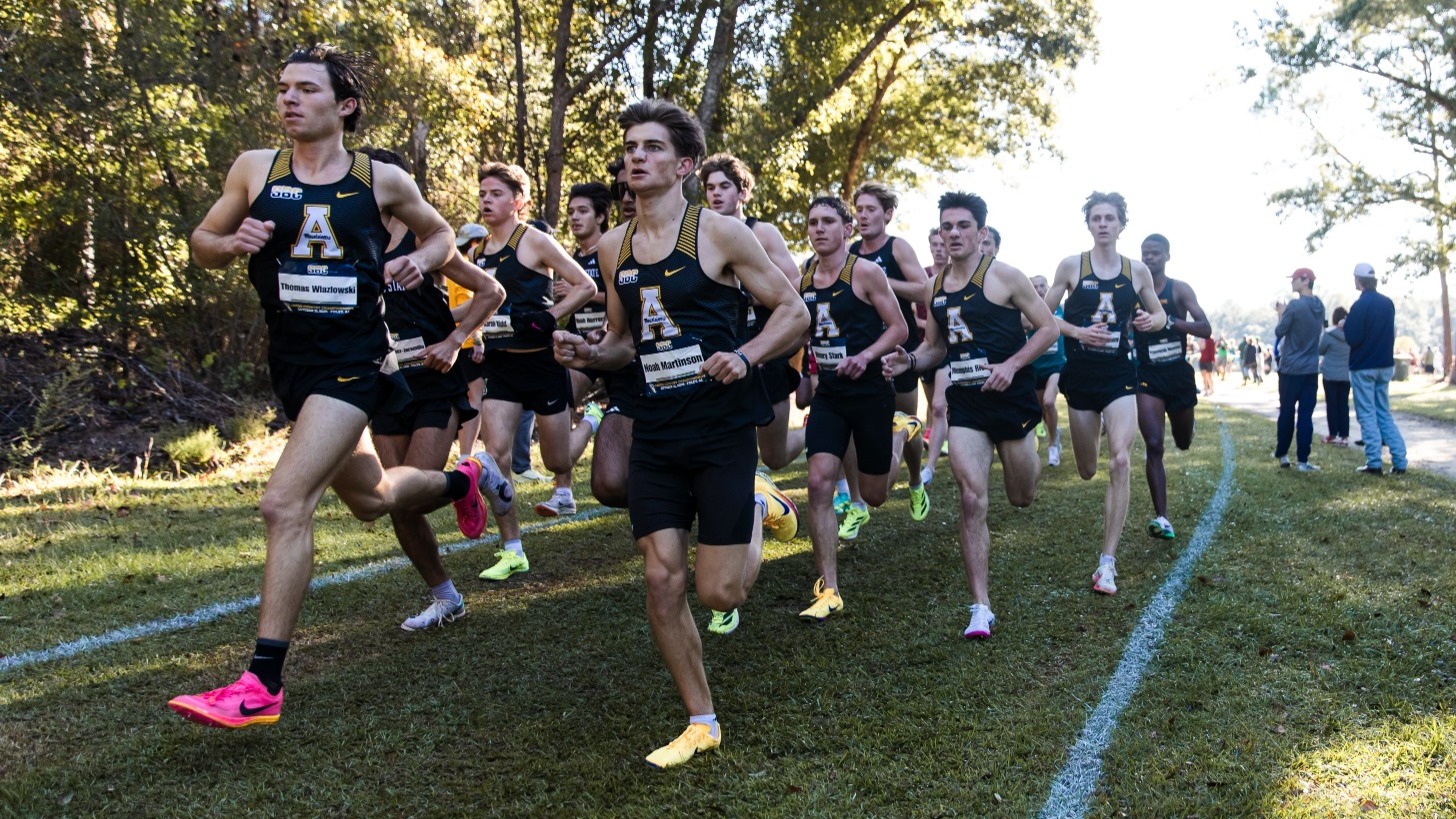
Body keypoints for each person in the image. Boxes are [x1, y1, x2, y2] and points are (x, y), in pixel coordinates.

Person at [168, 45, 510, 728]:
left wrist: (419, 257)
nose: (287, 99)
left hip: (355, 360)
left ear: (344, 105)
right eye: (282, 88)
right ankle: (462, 481)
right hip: (292, 363)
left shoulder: (378, 178)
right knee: (374, 497)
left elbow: (440, 233)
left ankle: (261, 683)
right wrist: (231, 243)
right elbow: (200, 243)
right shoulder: (254, 170)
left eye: (305, 89)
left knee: (282, 502)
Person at [553, 99, 808, 768]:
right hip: (656, 433)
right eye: (630, 147)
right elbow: (621, 344)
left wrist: (747, 355)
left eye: (653, 147)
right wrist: (587, 357)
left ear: (685, 164)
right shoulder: (612, 248)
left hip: (722, 427)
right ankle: (702, 718)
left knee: (719, 591)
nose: (636, 156)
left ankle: (760, 500)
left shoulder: (720, 234)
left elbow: (793, 311)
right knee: (661, 578)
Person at [883, 192, 1057, 638]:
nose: (953, 234)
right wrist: (911, 361)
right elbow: (936, 347)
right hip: (967, 404)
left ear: (981, 233)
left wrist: (1013, 365)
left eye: (963, 226)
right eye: (947, 227)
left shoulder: (1006, 277)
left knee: (1021, 496)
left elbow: (1048, 328)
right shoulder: (934, 286)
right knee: (971, 498)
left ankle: (1030, 453)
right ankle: (980, 605)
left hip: (1013, 400)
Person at [362, 147, 507, 631]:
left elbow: (491, 292)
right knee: (393, 499)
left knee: (416, 495)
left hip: (431, 381)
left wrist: (454, 340)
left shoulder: (427, 237)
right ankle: (446, 597)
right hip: (383, 384)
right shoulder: (350, 236)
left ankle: (473, 473)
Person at [469, 163, 596, 580]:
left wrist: (551, 317)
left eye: (495, 193)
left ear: (518, 202)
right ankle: (512, 549)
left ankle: (592, 419)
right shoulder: (478, 252)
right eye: (483, 193)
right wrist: (464, 335)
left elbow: (585, 286)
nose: (486, 200)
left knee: (556, 458)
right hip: (501, 365)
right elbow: (479, 306)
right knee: (496, 455)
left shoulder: (534, 241)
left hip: (541, 362)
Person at [1043, 191, 1165, 596]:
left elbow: (1160, 313)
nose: (1102, 224)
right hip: (1079, 376)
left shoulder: (1136, 271)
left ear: (1120, 224)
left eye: (1109, 218)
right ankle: (1087, 441)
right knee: (1087, 469)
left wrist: (1151, 319)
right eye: (1096, 217)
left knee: (1120, 460)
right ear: (1089, 224)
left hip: (1120, 375)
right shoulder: (1071, 266)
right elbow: (1043, 316)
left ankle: (1107, 562)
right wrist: (1078, 332)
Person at [795, 195, 909, 623]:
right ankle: (830, 589)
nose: (819, 228)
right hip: (830, 394)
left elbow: (900, 327)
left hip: (870, 392)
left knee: (875, 496)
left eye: (828, 221)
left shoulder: (864, 272)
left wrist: (866, 356)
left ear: (847, 229)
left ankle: (900, 433)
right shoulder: (802, 276)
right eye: (812, 222)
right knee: (819, 481)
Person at [699, 153, 806, 470]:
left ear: (742, 193)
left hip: (764, 352)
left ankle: (814, 431)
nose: (716, 193)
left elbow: (797, 285)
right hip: (722, 352)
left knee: (774, 457)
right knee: (725, 443)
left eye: (724, 186)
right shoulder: (703, 235)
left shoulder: (762, 232)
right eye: (710, 187)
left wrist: (757, 294)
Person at [848, 182, 929, 528]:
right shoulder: (849, 251)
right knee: (854, 430)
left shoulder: (897, 248)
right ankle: (855, 503)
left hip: (899, 352)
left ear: (887, 214)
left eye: (870, 209)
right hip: (865, 352)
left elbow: (923, 288)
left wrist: (879, 280)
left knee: (904, 424)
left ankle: (914, 481)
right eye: (859, 210)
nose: (863, 216)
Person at [1132, 234, 1212, 539]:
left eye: (1155, 253)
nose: (1149, 257)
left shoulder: (1179, 289)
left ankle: (1186, 429)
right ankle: (1162, 518)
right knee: (1154, 445)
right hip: (1147, 377)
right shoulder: (1132, 291)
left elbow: (1205, 328)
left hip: (1178, 375)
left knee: (1182, 442)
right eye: (1145, 253)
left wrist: (1170, 323)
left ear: (1167, 256)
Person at [1345, 263, 1408, 475]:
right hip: (1384, 364)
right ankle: (1400, 460)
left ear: (1358, 280)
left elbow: (1352, 338)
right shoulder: (1387, 303)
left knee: (1367, 414)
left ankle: (1374, 462)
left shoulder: (1360, 306)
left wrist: (1346, 325)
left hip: (1364, 366)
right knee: (1383, 412)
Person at [1273, 268, 1325, 471]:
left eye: (1294, 279)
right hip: (1311, 369)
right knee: (1305, 415)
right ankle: (1303, 460)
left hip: (1291, 368)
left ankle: (1283, 454)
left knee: (1286, 412)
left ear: (1305, 280)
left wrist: (1281, 314)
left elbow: (1280, 331)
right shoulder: (1320, 306)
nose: (1292, 282)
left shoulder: (1294, 306)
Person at [920, 227, 951, 486]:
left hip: (951, 351)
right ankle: (947, 436)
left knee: (940, 406)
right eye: (935, 244)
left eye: (942, 244)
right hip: (928, 349)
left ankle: (929, 467)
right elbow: (916, 314)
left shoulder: (961, 276)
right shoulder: (925, 279)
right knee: (934, 406)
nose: (939, 249)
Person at [1025, 273, 1066, 466]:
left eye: (1043, 286)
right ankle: (1053, 430)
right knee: (1040, 409)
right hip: (1034, 369)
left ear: (1049, 287)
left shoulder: (1060, 310)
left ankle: (1052, 445)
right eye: (1035, 287)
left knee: (1049, 402)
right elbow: (1023, 325)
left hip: (1055, 367)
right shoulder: (1025, 311)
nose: (1040, 290)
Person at [1319, 306, 1351, 446]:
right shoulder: (1352, 335)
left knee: (1331, 404)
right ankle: (1344, 435)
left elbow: (1321, 349)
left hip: (1330, 373)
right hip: (1346, 374)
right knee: (1343, 405)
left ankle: (1333, 434)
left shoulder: (1329, 334)